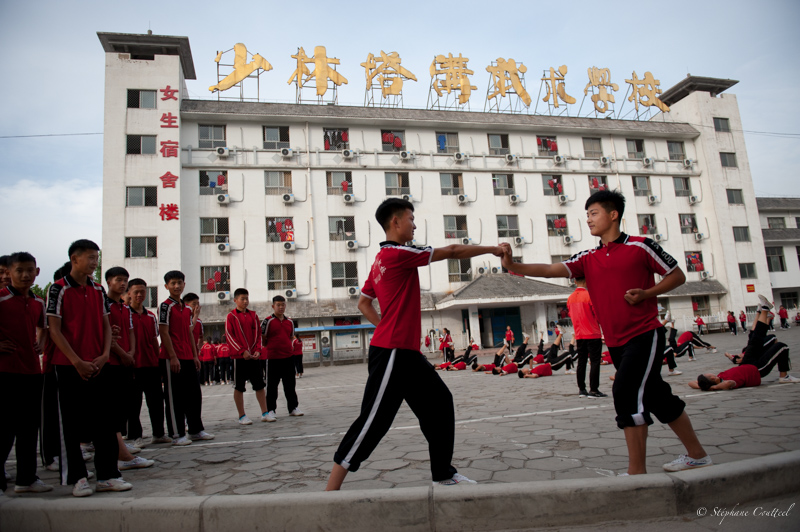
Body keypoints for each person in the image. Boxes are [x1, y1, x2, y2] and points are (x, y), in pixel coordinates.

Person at [501, 190, 710, 475]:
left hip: (644, 333)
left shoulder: (641, 246)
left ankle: (636, 474)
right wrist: (513, 265)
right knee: (657, 396)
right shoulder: (588, 257)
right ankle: (697, 455)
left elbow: (677, 275)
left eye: (594, 213)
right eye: (586, 214)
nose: (588, 219)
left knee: (624, 391)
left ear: (613, 215)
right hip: (614, 340)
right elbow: (550, 269)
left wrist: (647, 293)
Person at [326, 198, 504, 490]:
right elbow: (453, 251)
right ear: (395, 222)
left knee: (440, 403)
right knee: (373, 422)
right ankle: (330, 493)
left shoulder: (380, 260)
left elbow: (363, 303)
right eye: (411, 219)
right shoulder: (397, 253)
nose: (414, 225)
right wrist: (492, 250)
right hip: (392, 353)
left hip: (405, 353)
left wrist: (385, 326)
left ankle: (443, 475)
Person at [47, 239, 131, 496]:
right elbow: (54, 330)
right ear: (75, 259)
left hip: (98, 364)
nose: (95, 262)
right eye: (91, 258)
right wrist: (76, 361)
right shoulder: (58, 289)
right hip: (69, 366)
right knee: (71, 425)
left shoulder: (97, 290)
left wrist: (105, 355)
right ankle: (77, 478)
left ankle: (107, 475)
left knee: (105, 422)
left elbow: (106, 325)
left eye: (96, 257)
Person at [0, 252, 53, 494]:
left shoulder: (38, 302)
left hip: (31, 371)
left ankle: (26, 479)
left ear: (37, 272)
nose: (25, 275)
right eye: (19, 270)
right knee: (5, 427)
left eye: (30, 270)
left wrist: (40, 343)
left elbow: (44, 327)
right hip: (5, 371)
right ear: (8, 272)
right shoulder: (1, 298)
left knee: (29, 428)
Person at [104, 267, 154, 470]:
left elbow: (130, 333)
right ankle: (118, 455)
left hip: (126, 362)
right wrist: (122, 354)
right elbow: (106, 334)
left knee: (122, 407)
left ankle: (121, 450)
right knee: (111, 410)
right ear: (108, 282)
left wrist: (130, 352)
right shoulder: (104, 305)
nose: (122, 283)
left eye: (125, 280)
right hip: (111, 362)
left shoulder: (124, 309)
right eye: (118, 280)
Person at [159, 271, 214, 446]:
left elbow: (190, 332)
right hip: (171, 357)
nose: (177, 286)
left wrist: (194, 355)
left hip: (187, 356)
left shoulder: (187, 308)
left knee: (194, 394)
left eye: (179, 283)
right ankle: (177, 433)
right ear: (166, 286)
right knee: (175, 397)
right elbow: (164, 332)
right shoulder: (166, 307)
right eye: (173, 283)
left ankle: (195, 430)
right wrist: (173, 356)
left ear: (184, 284)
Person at [126, 278, 170, 446]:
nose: (139, 295)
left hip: (151, 365)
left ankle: (158, 434)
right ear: (129, 293)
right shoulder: (125, 314)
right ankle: (135, 436)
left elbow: (154, 340)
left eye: (142, 291)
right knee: (133, 404)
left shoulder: (151, 316)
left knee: (156, 402)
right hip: (132, 366)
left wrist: (158, 361)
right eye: (136, 292)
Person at [723, 299, 799, 383]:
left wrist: (736, 356)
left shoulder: (744, 353)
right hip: (756, 369)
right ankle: (784, 376)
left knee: (754, 336)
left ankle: (762, 312)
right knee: (779, 344)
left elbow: (754, 333)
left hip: (748, 362)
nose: (712, 376)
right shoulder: (719, 380)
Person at [226, 288, 269, 425]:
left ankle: (265, 413)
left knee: (259, 385)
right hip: (239, 358)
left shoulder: (253, 315)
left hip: (254, 357)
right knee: (239, 386)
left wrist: (257, 350)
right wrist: (241, 351)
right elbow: (229, 336)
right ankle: (242, 415)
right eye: (242, 299)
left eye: (247, 298)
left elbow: (258, 335)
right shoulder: (231, 316)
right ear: (235, 300)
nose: (245, 301)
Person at [260, 295, 302, 421]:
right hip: (273, 358)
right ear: (273, 306)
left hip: (288, 357)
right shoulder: (267, 321)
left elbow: (290, 337)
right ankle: (271, 410)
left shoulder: (290, 322)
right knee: (272, 386)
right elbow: (263, 337)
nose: (281, 307)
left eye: (283, 305)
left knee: (290, 384)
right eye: (278, 305)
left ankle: (293, 408)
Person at [568, 278, 606, 398]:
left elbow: (571, 314)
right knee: (594, 361)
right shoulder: (590, 296)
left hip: (579, 334)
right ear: (586, 281)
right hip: (592, 333)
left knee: (581, 362)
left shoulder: (570, 298)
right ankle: (594, 389)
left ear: (575, 281)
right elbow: (598, 314)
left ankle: (582, 389)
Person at [688, 365, 761, 391]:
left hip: (746, 365)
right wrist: (714, 387)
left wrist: (702, 387)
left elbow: (690, 383)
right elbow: (729, 383)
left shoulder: (719, 377)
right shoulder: (725, 381)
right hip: (756, 371)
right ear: (712, 378)